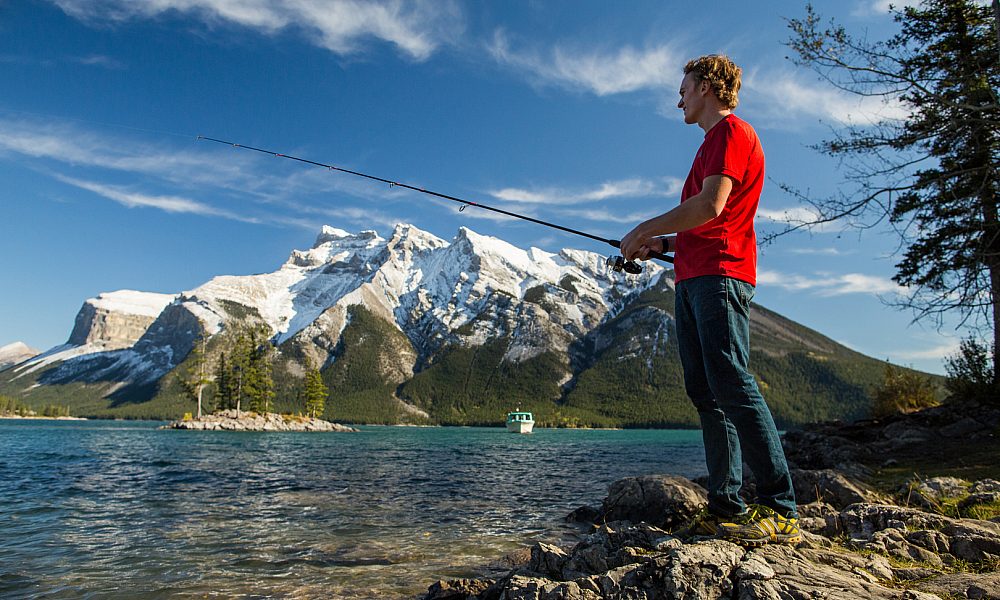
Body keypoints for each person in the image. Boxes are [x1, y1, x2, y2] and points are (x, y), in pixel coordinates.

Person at [619, 54, 800, 547]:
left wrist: (643, 229)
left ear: (706, 86)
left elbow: (710, 206)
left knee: (732, 384)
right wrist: (662, 245)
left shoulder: (731, 133)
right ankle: (727, 504)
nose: (678, 97)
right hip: (694, 275)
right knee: (706, 392)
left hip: (720, 277)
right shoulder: (709, 145)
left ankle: (780, 506)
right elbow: (705, 224)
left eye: (684, 87)